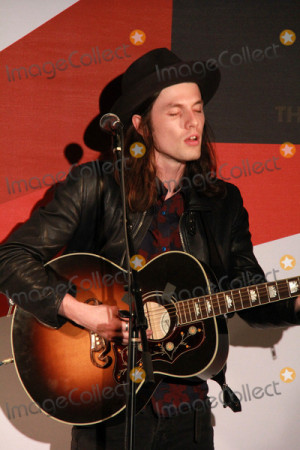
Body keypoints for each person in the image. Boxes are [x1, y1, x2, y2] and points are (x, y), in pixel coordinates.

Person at [0, 48, 299, 450]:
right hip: (108, 409)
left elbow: (248, 290)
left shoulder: (223, 202)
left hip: (188, 416)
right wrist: (82, 312)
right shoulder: (96, 186)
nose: (193, 123)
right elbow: (9, 259)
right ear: (141, 126)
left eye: (197, 109)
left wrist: (293, 303)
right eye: (175, 113)